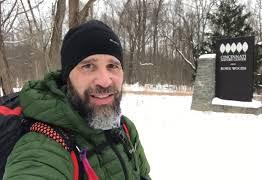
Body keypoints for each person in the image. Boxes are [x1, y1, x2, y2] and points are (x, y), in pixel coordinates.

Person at [3, 20, 151, 180]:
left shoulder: (126, 128)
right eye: (88, 66)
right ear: (68, 77)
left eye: (112, 66)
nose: (105, 81)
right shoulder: (43, 146)